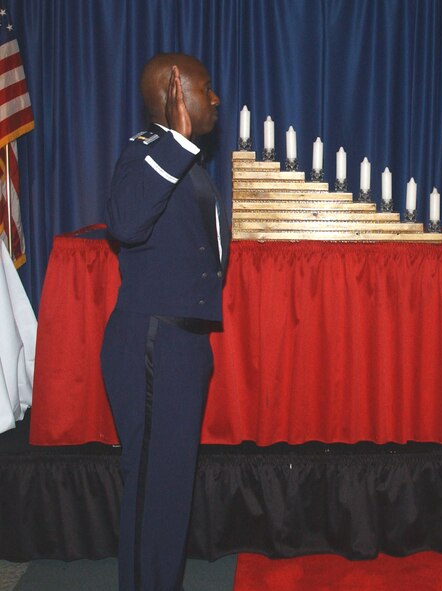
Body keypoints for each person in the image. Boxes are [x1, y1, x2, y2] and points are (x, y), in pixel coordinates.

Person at [101, 53, 228, 591]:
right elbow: (126, 221)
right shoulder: (147, 151)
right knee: (153, 490)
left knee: (170, 489)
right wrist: (174, 141)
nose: (215, 97)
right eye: (206, 87)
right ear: (176, 91)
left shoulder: (186, 164)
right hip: (153, 342)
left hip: (180, 345)